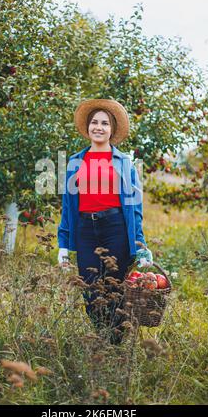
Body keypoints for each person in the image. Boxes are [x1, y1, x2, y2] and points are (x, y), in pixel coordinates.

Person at [57, 99, 152, 344]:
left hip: (115, 229)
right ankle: (103, 337)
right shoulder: (74, 162)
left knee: (115, 289)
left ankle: (115, 345)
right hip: (85, 230)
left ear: (112, 129)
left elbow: (135, 207)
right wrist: (63, 245)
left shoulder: (124, 162)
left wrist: (140, 245)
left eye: (104, 123)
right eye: (94, 123)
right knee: (90, 289)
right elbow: (67, 206)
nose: (98, 127)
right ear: (88, 128)